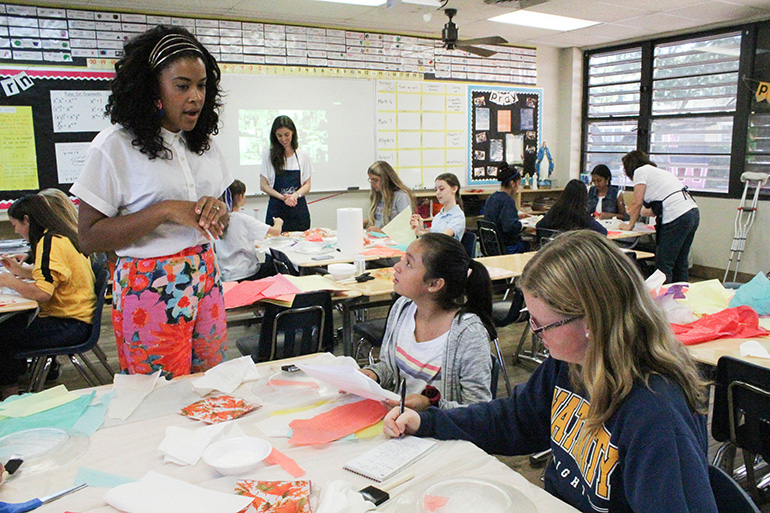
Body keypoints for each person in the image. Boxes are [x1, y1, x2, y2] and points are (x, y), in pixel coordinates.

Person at [383, 230, 715, 513]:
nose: (535, 335)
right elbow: (516, 419)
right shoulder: (572, 361)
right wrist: (428, 422)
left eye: (543, 325)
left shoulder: (656, 413)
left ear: (591, 322)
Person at [71, 26, 231, 378]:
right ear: (152, 87)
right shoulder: (115, 145)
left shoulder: (202, 143)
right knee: (161, 398)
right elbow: (89, 236)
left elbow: (223, 217)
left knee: (213, 385)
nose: (196, 97)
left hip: (206, 275)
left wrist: (220, 211)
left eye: (202, 85)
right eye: (182, 85)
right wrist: (164, 210)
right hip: (151, 286)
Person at [360, 233, 494, 410]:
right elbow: (389, 367)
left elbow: (478, 412)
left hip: (438, 432)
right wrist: (373, 374)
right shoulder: (403, 308)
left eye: (408, 263)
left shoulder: (468, 334)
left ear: (434, 284)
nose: (396, 267)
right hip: (399, 423)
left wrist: (431, 406)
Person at [0, 195, 96, 399]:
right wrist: (20, 271)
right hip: (76, 318)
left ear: (27, 220)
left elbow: (43, 293)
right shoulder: (59, 236)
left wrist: (9, 281)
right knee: (7, 325)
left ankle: (9, 397)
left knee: (2, 335)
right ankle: (14, 381)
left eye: (16, 224)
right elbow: (52, 275)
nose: (16, 230)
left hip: (71, 324)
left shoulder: (49, 242)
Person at [619, 150, 699, 283]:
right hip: (691, 213)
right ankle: (681, 297)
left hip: (676, 216)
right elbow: (651, 210)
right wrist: (634, 211)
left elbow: (637, 202)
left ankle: (663, 300)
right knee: (680, 262)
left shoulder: (640, 171)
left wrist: (629, 225)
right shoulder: (658, 172)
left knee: (663, 264)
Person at [215, 180, 282, 282]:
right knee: (276, 265)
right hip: (246, 274)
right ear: (240, 197)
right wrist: (278, 222)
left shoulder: (217, 221)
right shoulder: (241, 219)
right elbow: (276, 232)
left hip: (227, 276)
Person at [260, 115, 312, 232]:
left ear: (293, 133)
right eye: (279, 135)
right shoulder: (268, 155)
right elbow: (263, 185)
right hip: (277, 210)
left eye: (286, 135)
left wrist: (294, 196)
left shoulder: (302, 155)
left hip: (298, 212)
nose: (283, 139)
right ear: (274, 135)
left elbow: (307, 185)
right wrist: (283, 198)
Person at [536, 179, 607, 241]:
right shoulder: (582, 215)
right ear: (584, 198)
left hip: (553, 251)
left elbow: (539, 226)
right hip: (573, 253)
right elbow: (603, 232)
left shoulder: (555, 210)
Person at [483, 163, 530, 254]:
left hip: (493, 246)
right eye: (518, 184)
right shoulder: (507, 200)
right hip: (507, 247)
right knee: (530, 245)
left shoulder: (492, 197)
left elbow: (498, 218)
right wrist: (523, 226)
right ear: (512, 183)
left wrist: (517, 216)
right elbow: (510, 227)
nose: (517, 188)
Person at [410, 173, 465, 242]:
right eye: (436, 190)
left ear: (454, 189)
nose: (437, 193)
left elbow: (442, 238)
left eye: (441, 189)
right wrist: (421, 227)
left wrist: (421, 233)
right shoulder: (439, 216)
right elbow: (434, 233)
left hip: (446, 252)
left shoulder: (458, 216)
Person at [364, 161, 415, 232]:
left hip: (393, 240)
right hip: (378, 237)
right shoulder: (378, 195)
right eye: (371, 180)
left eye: (375, 180)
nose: (372, 184)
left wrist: (380, 231)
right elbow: (379, 219)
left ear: (386, 179)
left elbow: (405, 226)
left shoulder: (401, 197)